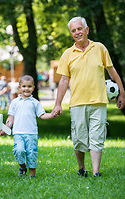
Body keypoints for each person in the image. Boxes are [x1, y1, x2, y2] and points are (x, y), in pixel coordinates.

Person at [52, 16, 125, 177]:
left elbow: (112, 72)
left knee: (97, 136)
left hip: (99, 101)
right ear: (71, 34)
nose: (77, 32)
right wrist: (58, 103)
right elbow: (64, 80)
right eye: (73, 30)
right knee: (79, 139)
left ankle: (96, 172)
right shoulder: (67, 54)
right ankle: (81, 168)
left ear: (87, 30)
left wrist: (122, 92)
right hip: (77, 103)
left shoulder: (99, 48)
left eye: (79, 29)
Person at [0, 75, 57, 178]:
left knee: (31, 154)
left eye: (29, 86)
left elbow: (42, 115)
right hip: (18, 133)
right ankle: (22, 167)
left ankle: (31, 176)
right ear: (19, 87)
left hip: (31, 133)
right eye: (24, 86)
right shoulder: (15, 102)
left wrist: (52, 115)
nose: (26, 88)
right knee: (19, 150)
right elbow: (10, 118)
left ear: (33, 88)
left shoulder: (35, 102)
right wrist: (6, 128)